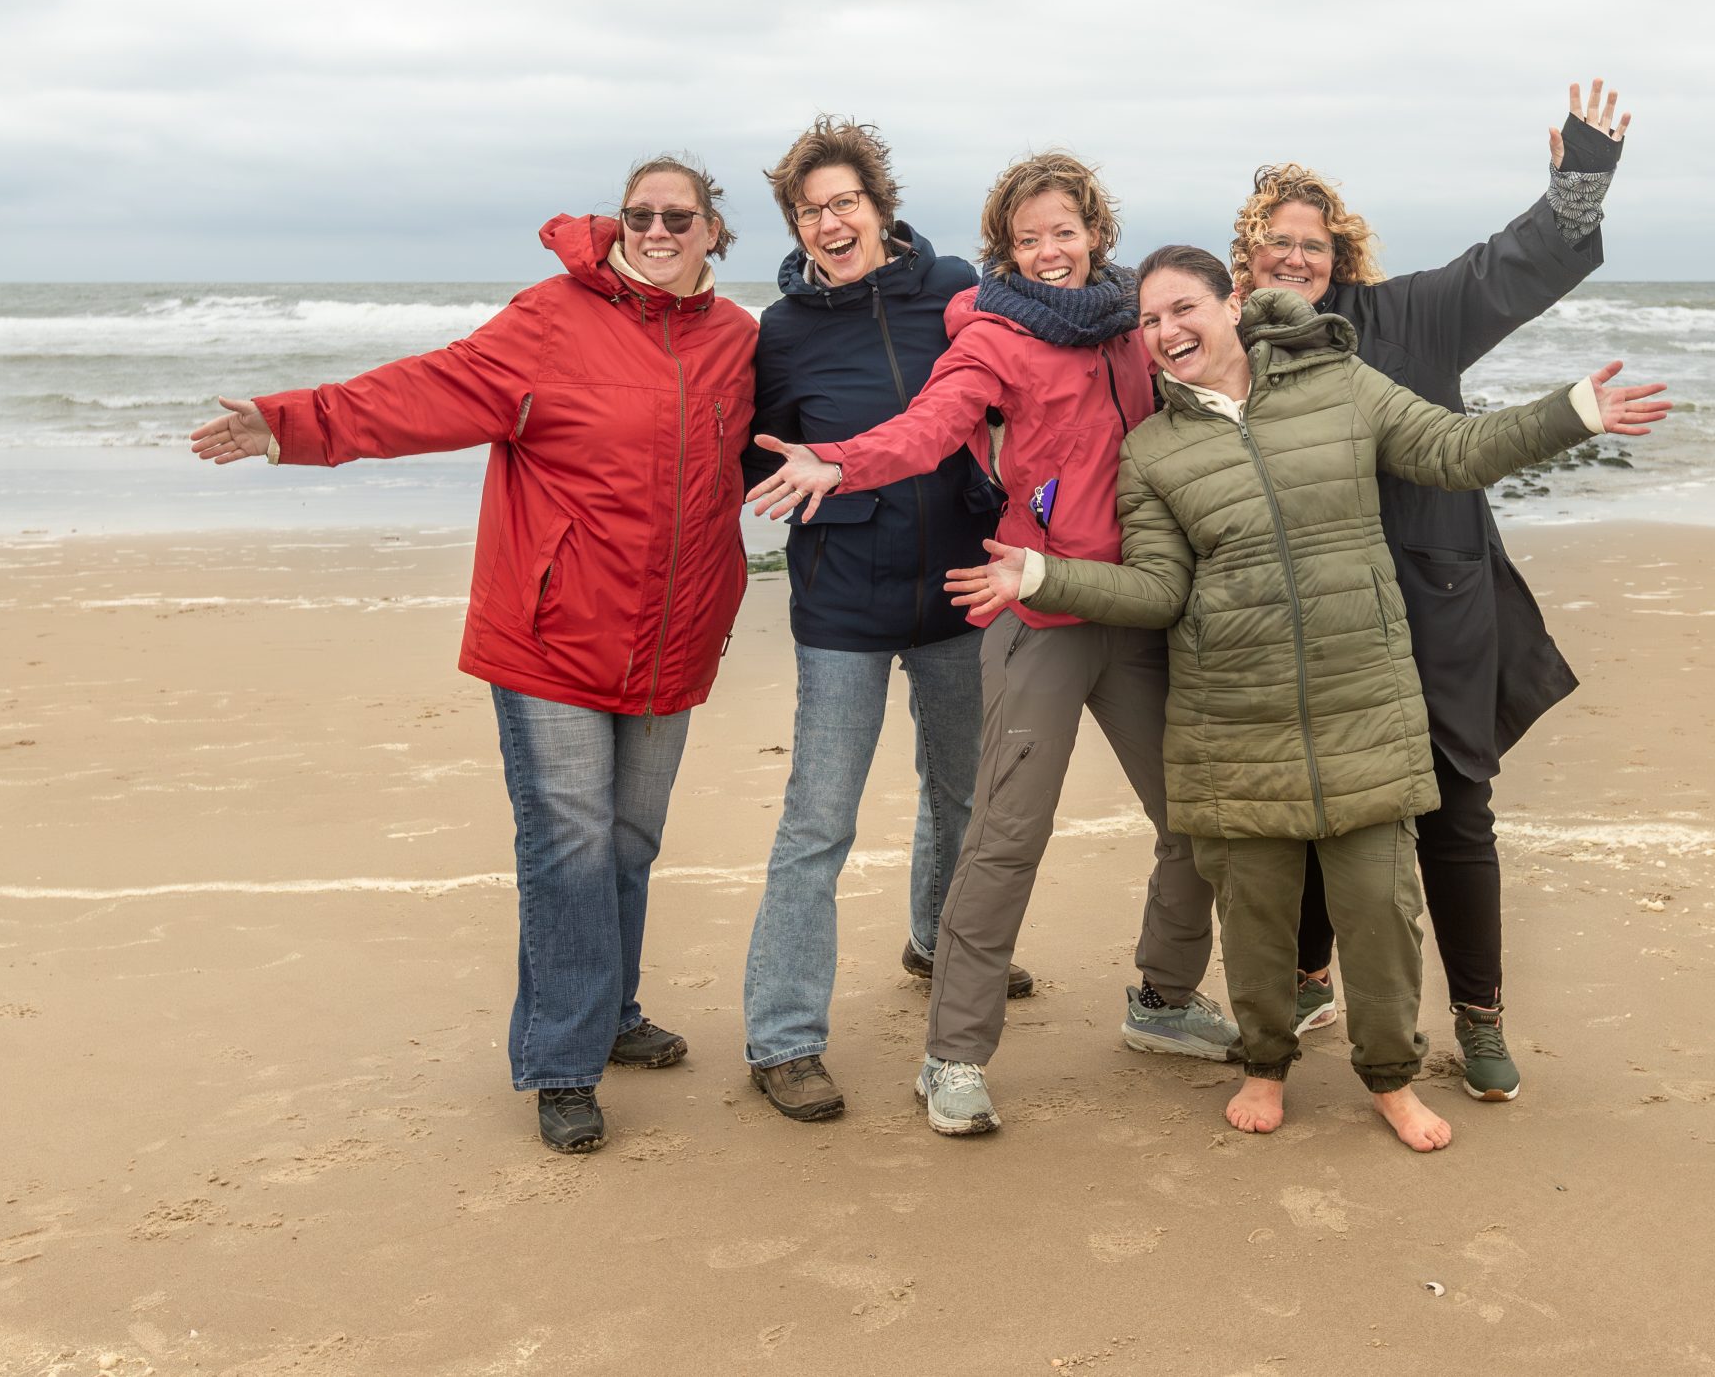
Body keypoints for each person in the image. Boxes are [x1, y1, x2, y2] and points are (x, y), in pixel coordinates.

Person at [948, 246, 1668, 1149]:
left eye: (1183, 309)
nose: (1167, 332)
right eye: (1148, 321)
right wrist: (1046, 575)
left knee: (1380, 907)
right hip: (1233, 714)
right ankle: (1264, 1063)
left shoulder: (1342, 386)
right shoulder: (1154, 449)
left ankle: (1392, 1079)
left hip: (1359, 696)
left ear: (1231, 302)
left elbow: (1454, 449)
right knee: (1256, 915)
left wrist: (1572, 412)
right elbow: (1160, 591)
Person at [189, 157, 755, 1155]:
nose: (658, 229)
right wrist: (285, 426)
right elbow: (419, 395)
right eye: (640, 214)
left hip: (674, 633)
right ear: (616, 223)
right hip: (549, 635)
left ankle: (611, 1014)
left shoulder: (737, 341)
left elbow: (811, 432)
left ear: (713, 231)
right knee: (568, 848)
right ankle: (561, 1064)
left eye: (679, 215)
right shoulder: (549, 318)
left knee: (626, 845)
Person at [745, 153, 1237, 1138]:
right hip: (1035, 612)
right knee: (1003, 838)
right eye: (1027, 238)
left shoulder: (1137, 329)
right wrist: (835, 462)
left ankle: (1162, 998)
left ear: (1095, 232)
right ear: (1001, 253)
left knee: (1198, 820)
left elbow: (1223, 383)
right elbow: (927, 429)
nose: (1049, 251)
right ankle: (953, 1056)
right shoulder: (994, 334)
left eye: (1064, 231)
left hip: (1138, 609)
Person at [1235, 80, 1631, 1103]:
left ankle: (1480, 1017)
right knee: (1323, 803)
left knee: (1456, 811)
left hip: (1432, 601)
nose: (1295, 258)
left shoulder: (1408, 315)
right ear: (1248, 257)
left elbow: (1512, 268)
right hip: (1314, 623)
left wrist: (1578, 181)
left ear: (1342, 254)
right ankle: (1311, 978)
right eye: (1275, 243)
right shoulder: (1241, 358)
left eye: (1312, 244)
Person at [736, 117, 1025, 1124]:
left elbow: (1020, 387)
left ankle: (937, 942)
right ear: (797, 226)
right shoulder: (783, 331)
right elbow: (758, 452)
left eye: (844, 202)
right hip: (841, 604)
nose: (829, 221)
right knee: (818, 819)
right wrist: (810, 488)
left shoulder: (954, 291)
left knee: (959, 795)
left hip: (955, 584)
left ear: (878, 206)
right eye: (809, 210)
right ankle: (782, 1038)